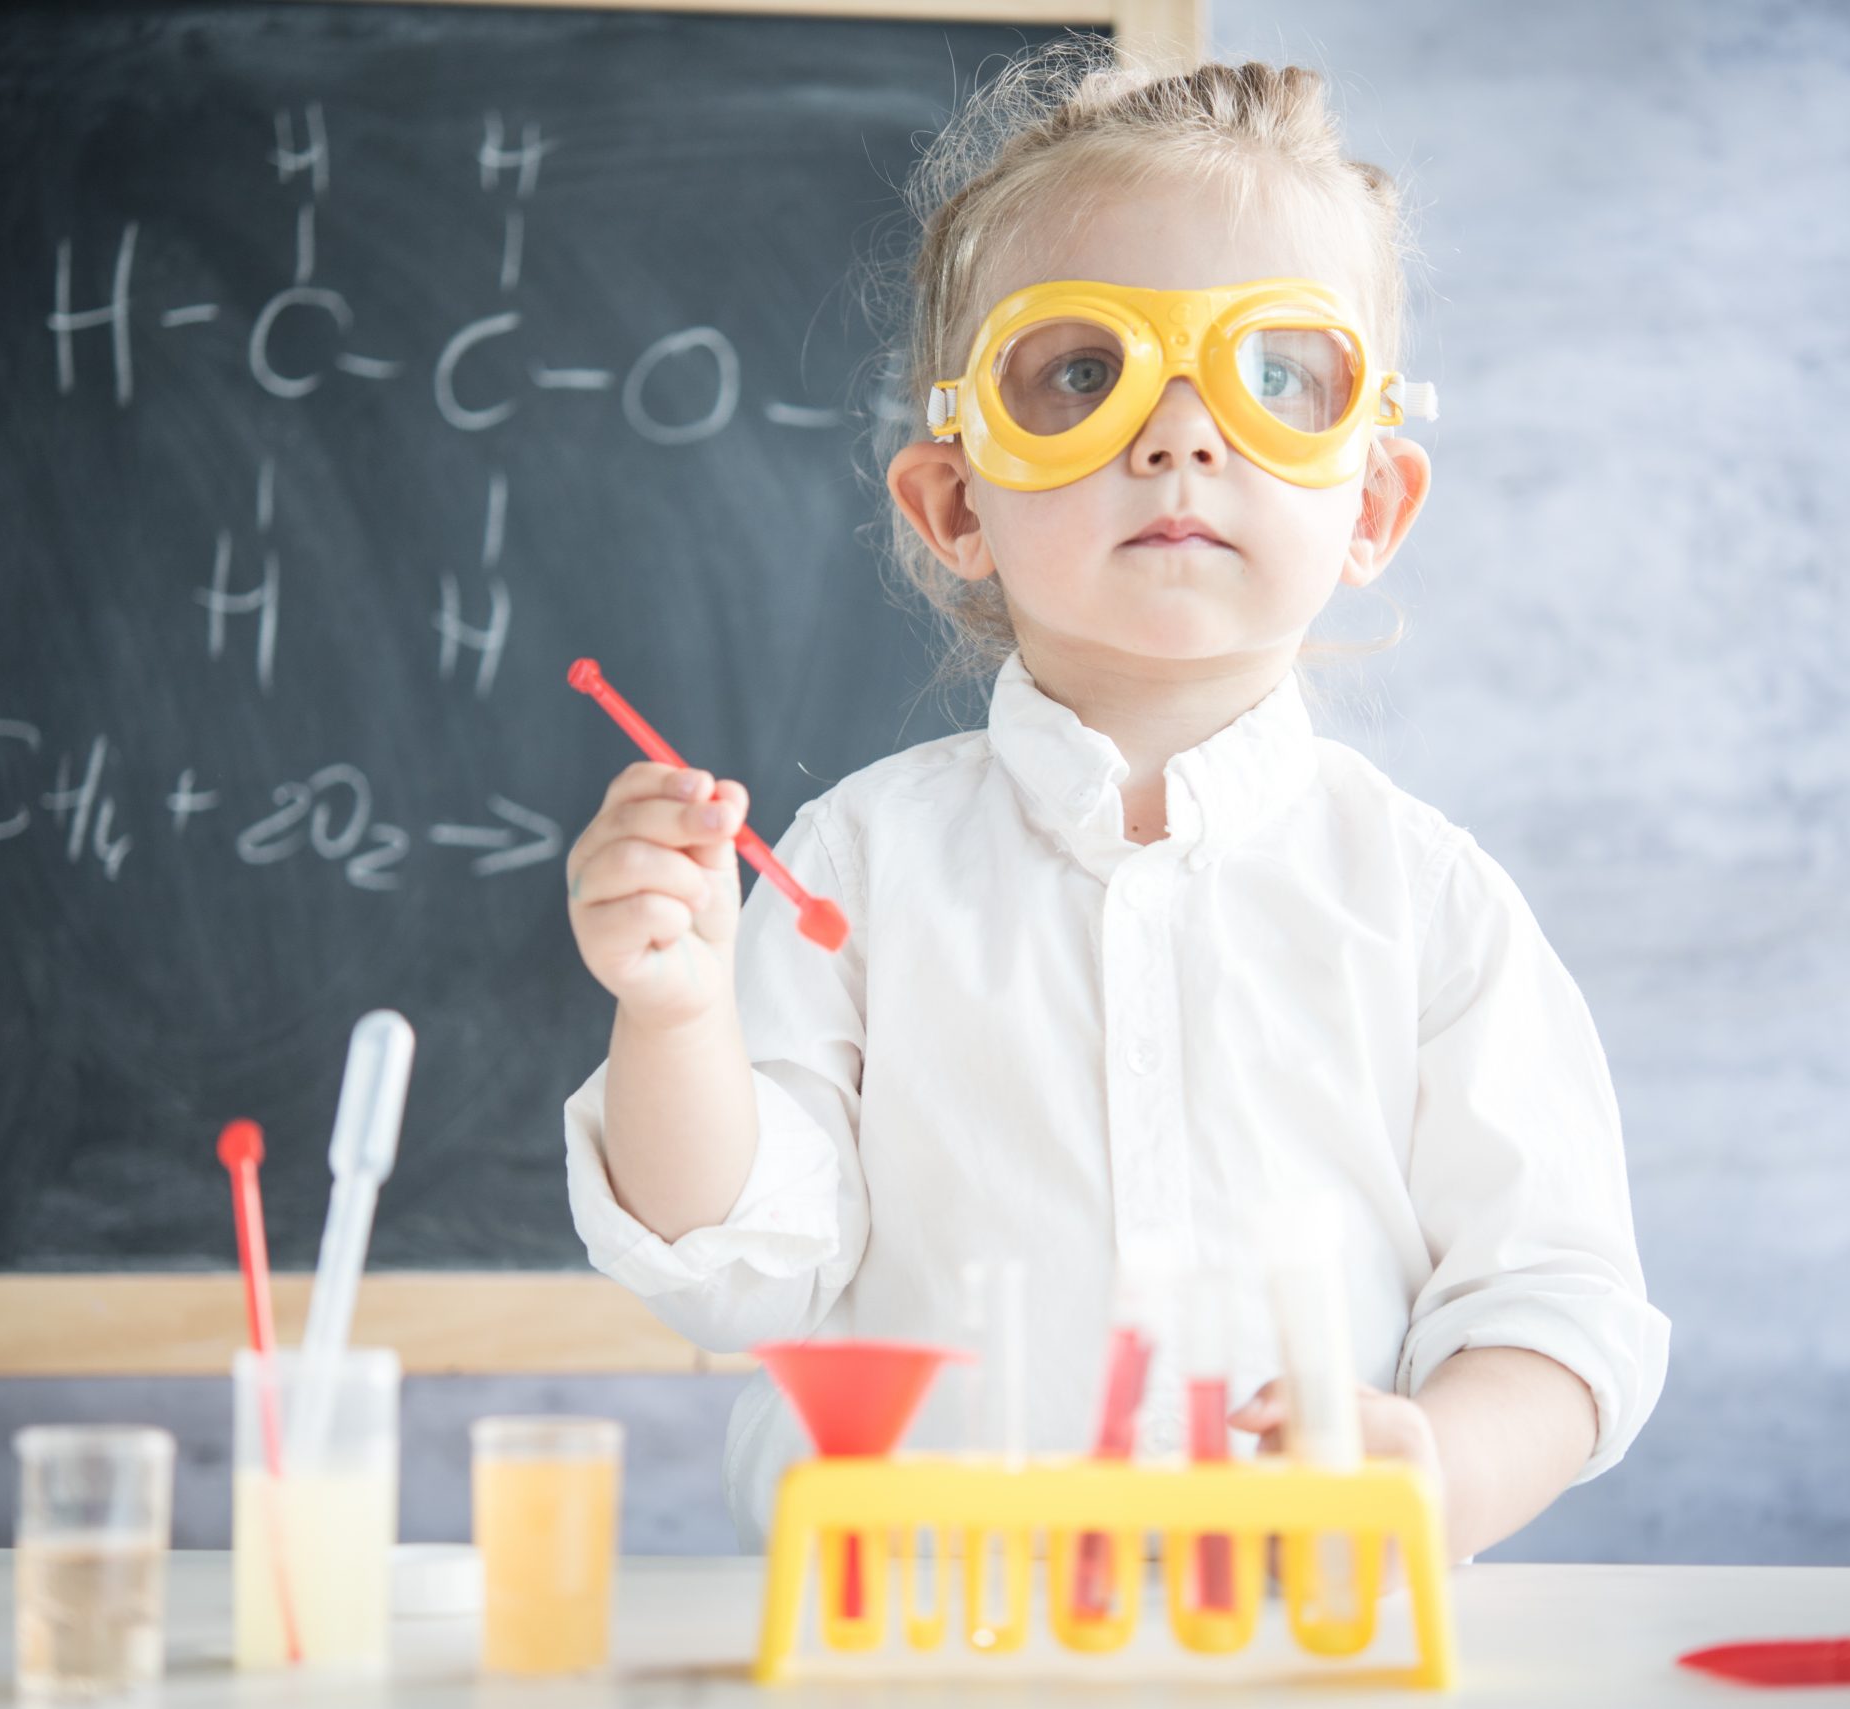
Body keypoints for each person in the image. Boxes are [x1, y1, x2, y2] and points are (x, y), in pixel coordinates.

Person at [560, 46, 1670, 1557]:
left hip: (1297, 1648)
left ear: (1375, 503)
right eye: (1085, 372)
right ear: (956, 504)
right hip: (922, 1654)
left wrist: (1440, 1471)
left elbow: (1560, 1305)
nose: (1181, 434)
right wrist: (676, 1012)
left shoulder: (1431, 906)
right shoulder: (857, 872)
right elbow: (735, 1269)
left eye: (1279, 376)